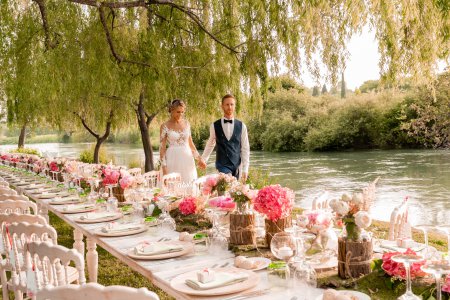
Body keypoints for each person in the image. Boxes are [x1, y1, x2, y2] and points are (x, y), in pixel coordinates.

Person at [200, 94, 250, 182]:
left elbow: (245, 148)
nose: (229, 107)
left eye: (232, 104)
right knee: (227, 183)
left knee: (234, 192)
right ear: (222, 106)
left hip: (237, 165)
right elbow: (210, 144)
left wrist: (245, 169)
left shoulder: (242, 126)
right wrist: (204, 159)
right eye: (227, 104)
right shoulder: (214, 125)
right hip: (222, 165)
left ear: (235, 106)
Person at [159, 99, 202, 183]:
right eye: (178, 112)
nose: (180, 114)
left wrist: (199, 159)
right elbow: (162, 148)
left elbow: (190, 143)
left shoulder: (187, 123)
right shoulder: (164, 126)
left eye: (182, 112)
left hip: (187, 159)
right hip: (172, 159)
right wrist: (164, 167)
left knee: (189, 184)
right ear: (171, 110)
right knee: (173, 187)